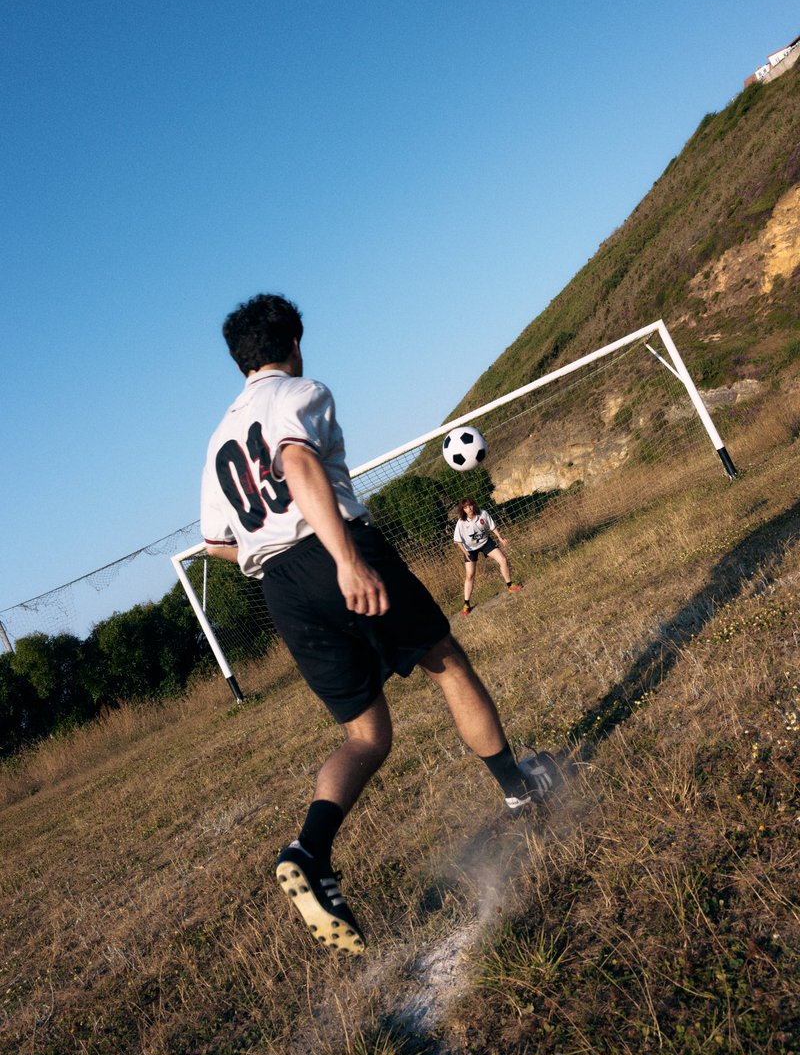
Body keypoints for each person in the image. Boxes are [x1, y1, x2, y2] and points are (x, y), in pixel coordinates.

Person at [200, 294, 558, 955]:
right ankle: (519, 793)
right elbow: (299, 463)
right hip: (336, 550)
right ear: (293, 342)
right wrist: (341, 559)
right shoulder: (300, 390)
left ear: (238, 360)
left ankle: (309, 851)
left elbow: (217, 542)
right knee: (446, 659)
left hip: (278, 585)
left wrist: (273, 559)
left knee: (365, 733)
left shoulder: (218, 441)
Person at [453, 497, 522, 616]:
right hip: (470, 550)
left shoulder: (483, 514)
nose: (468, 509)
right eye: (465, 507)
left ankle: (510, 585)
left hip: (485, 543)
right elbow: (458, 541)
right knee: (470, 575)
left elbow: (492, 527)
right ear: (463, 510)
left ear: (474, 505)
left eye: (470, 506)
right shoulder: (461, 522)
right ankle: (466, 604)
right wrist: (466, 553)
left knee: (503, 560)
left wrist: (500, 538)